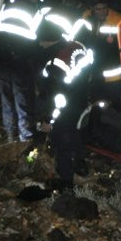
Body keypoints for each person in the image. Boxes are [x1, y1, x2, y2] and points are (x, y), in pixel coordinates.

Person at [34, 15, 95, 190]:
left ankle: (66, 183)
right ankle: (80, 164)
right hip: (80, 102)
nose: (39, 44)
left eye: (41, 40)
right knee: (74, 134)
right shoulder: (83, 49)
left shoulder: (57, 62)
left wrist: (49, 121)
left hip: (65, 107)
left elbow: (58, 97)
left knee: (63, 141)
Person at [0, 0, 43, 144]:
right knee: (23, 103)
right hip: (21, 62)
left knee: (7, 100)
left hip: (3, 59)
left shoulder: (7, 7)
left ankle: (10, 137)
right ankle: (25, 141)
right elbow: (38, 42)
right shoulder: (37, 13)